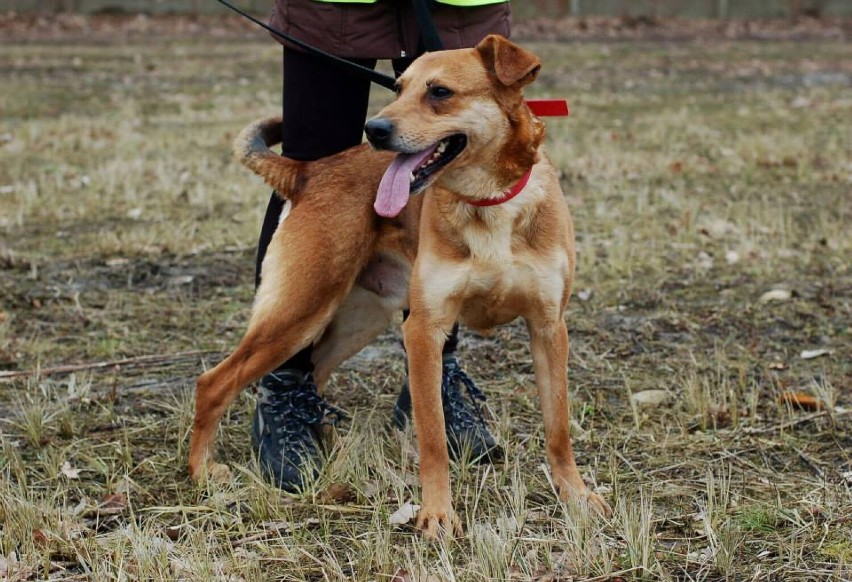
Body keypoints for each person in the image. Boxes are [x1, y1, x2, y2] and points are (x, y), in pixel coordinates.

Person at [252, 0, 511, 491]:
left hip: (456, 4)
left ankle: (433, 378)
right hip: (335, 5)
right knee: (314, 172)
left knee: (456, 160)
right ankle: (284, 385)